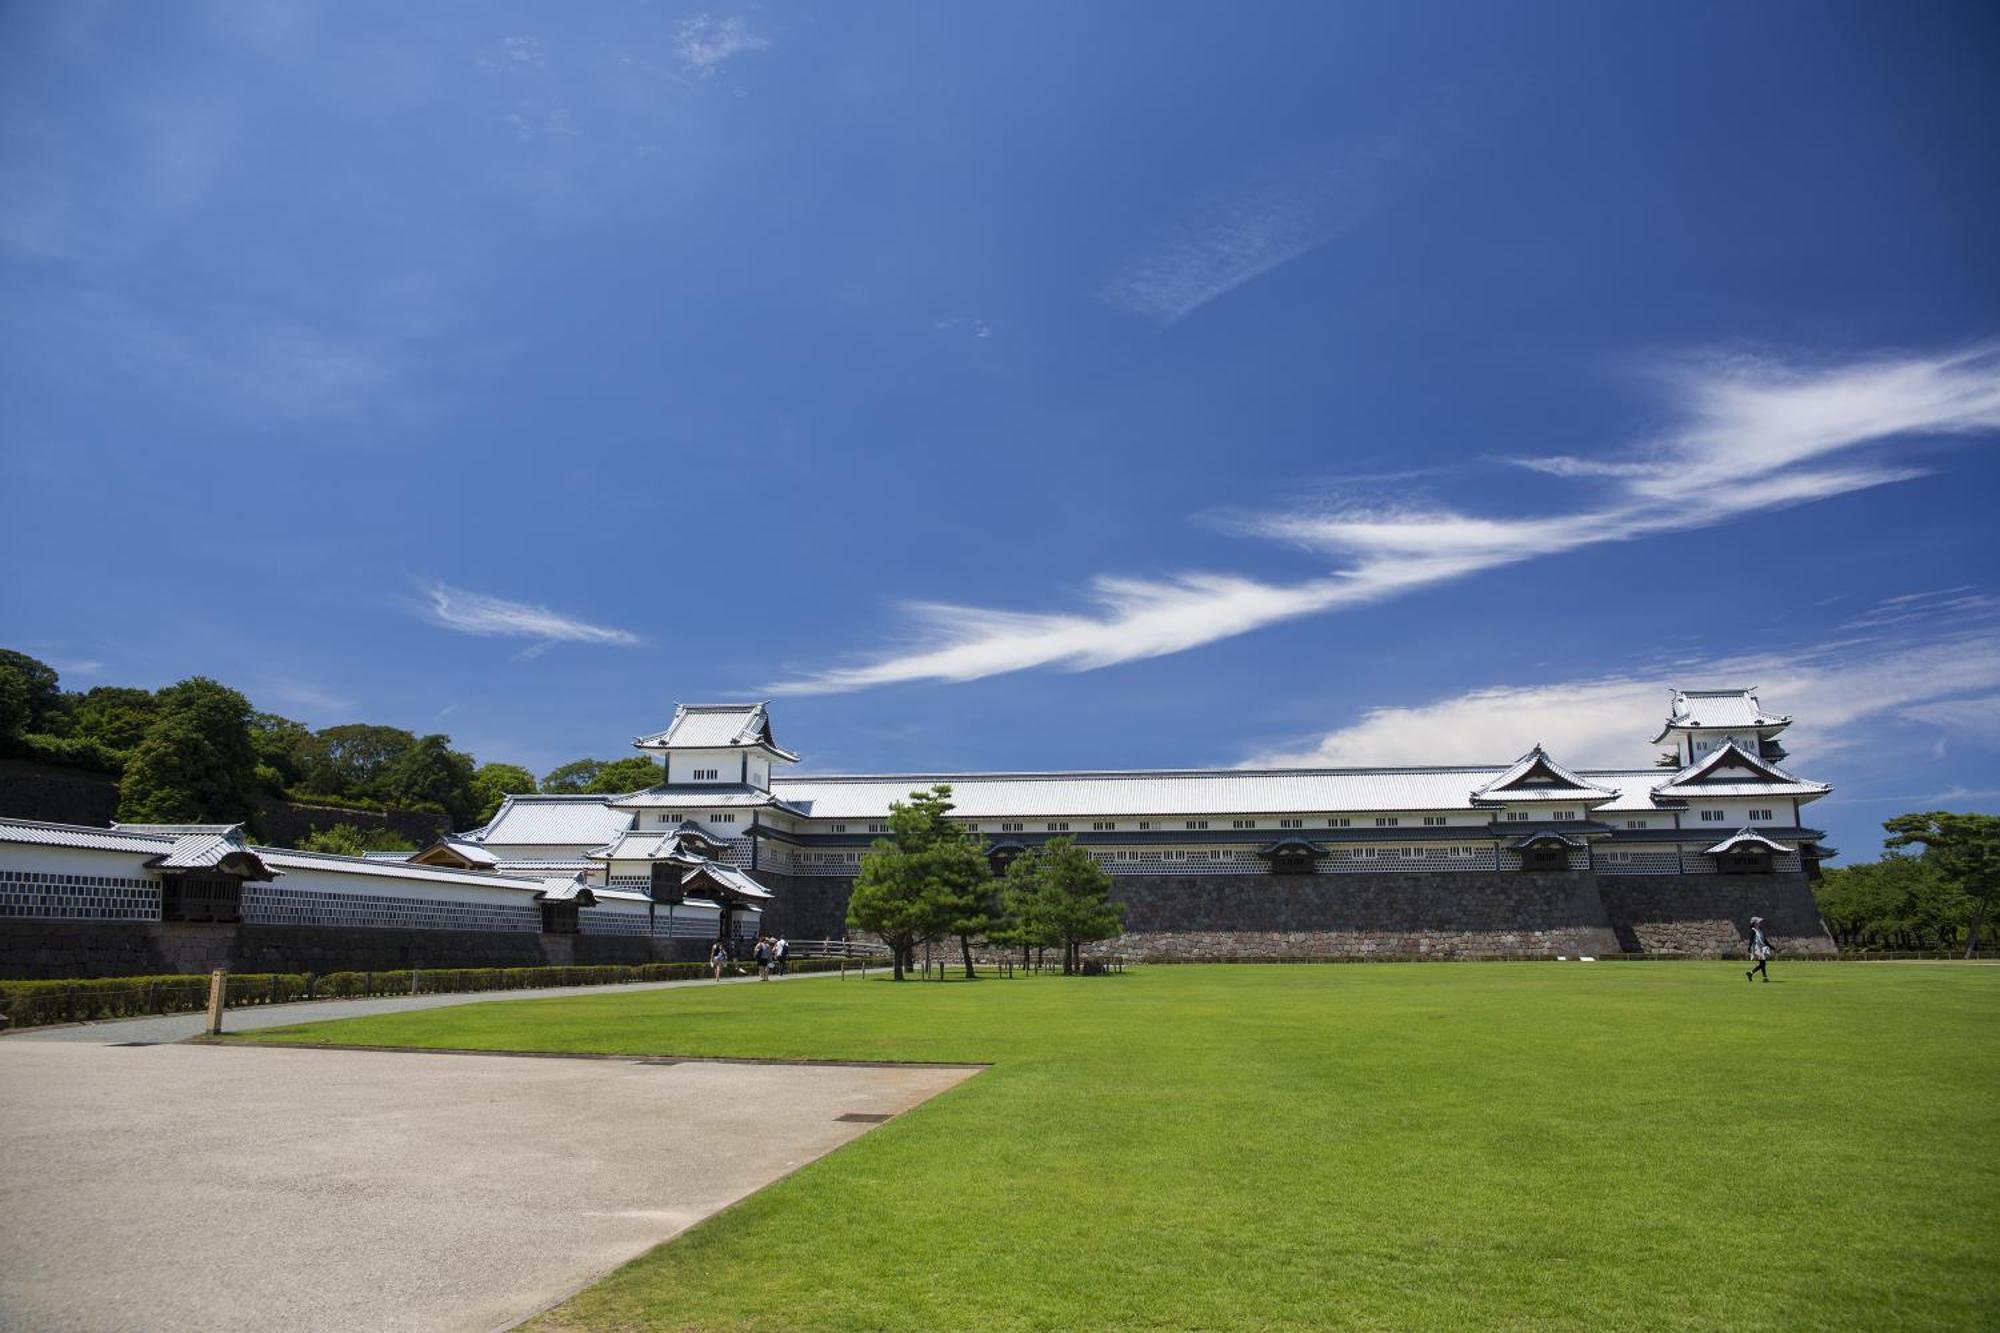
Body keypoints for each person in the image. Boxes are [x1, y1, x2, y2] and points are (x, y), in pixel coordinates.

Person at [1745, 916, 1773, 983]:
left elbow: (1765, 941)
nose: (1760, 923)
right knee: (1763, 963)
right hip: (1757, 949)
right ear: (1755, 923)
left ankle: (1751, 973)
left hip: (1761, 949)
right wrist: (1749, 947)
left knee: (1762, 964)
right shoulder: (1753, 931)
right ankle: (1764, 978)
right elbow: (1751, 940)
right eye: (1758, 922)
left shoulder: (1760, 931)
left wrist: (1771, 947)